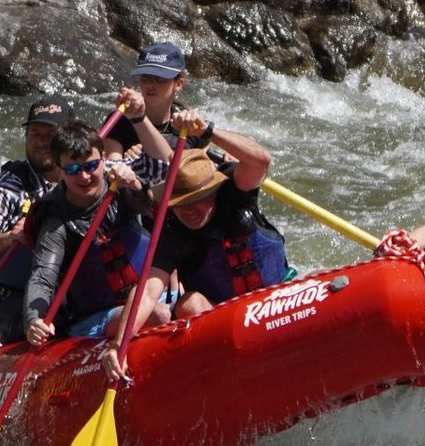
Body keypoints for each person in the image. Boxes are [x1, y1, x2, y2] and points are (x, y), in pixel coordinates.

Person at [101, 114, 287, 380]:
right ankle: (228, 375)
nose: (189, 211)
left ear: (212, 192)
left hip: (278, 297)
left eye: (197, 200)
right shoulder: (172, 233)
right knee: (189, 305)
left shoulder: (236, 191)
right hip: (224, 320)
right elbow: (147, 292)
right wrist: (118, 346)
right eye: (180, 204)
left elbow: (261, 161)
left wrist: (209, 130)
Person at [23, 118, 172, 346]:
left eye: (91, 166)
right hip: (97, 317)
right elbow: (43, 276)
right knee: (159, 315)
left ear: (103, 159)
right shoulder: (56, 222)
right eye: (73, 169)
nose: (84, 176)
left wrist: (135, 185)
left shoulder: (120, 186)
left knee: (189, 303)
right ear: (58, 169)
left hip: (152, 294)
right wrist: (34, 320)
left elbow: (149, 205)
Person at [0, 94, 72, 343]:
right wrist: (10, 237)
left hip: (69, 292)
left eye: (51, 135)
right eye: (35, 134)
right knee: (61, 315)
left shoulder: (84, 177)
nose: (42, 142)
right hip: (12, 302)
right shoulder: (8, 186)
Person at [104, 42, 191, 161]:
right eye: (145, 77)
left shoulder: (187, 124)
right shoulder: (119, 121)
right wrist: (128, 164)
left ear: (179, 84)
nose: (150, 84)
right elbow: (111, 167)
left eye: (160, 78)